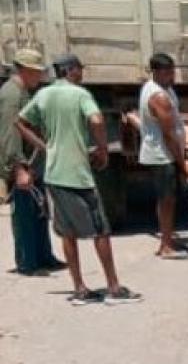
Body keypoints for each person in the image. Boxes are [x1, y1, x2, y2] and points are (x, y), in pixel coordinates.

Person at [14, 54, 141, 305]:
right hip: (78, 175)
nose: (82, 73)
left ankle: (80, 289)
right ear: (70, 70)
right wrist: (102, 148)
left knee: (67, 233)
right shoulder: (80, 94)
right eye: (79, 69)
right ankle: (114, 287)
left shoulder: (44, 95)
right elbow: (97, 119)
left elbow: (20, 122)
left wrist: (44, 146)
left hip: (54, 173)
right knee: (101, 230)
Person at [137, 53, 188, 259]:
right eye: (167, 72)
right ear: (155, 72)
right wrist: (181, 161)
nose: (171, 75)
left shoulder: (164, 89)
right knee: (167, 199)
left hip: (166, 152)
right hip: (162, 154)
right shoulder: (158, 97)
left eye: (172, 71)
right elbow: (168, 133)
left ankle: (167, 239)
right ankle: (166, 246)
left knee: (167, 199)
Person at [1, 49, 63, 275]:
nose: (40, 76)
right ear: (24, 70)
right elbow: (10, 133)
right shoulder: (11, 95)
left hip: (33, 162)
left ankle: (44, 257)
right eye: (36, 71)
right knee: (25, 215)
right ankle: (28, 263)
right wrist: (18, 168)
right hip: (23, 164)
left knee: (39, 210)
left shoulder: (23, 91)